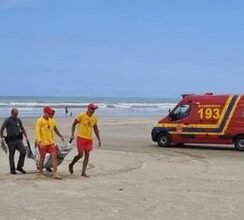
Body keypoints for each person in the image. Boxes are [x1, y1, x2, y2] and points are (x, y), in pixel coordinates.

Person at [69, 103, 101, 177]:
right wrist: (72, 134)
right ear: (88, 108)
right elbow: (74, 124)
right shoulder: (82, 115)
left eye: (94, 109)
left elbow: (96, 129)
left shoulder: (94, 118)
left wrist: (99, 139)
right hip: (81, 138)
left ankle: (83, 172)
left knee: (87, 155)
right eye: (92, 109)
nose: (93, 110)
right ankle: (71, 164)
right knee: (80, 155)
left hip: (89, 139)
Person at [35, 106, 64, 179]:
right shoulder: (40, 121)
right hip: (43, 143)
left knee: (54, 156)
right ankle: (40, 172)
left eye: (51, 113)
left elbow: (55, 128)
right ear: (45, 113)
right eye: (50, 113)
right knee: (42, 157)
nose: (51, 114)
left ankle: (55, 173)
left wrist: (60, 135)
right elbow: (37, 132)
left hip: (51, 142)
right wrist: (40, 141)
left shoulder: (52, 120)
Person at [0, 108, 29, 174]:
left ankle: (19, 166)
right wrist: (1, 138)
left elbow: (22, 128)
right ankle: (12, 169)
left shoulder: (18, 120)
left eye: (16, 114)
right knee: (11, 155)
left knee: (23, 152)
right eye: (14, 114)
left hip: (18, 140)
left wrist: (26, 137)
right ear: (11, 113)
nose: (15, 115)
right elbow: (1, 129)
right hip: (11, 141)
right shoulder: (7, 120)